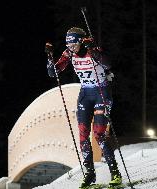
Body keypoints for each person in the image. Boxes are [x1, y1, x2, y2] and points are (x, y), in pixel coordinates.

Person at [45, 27, 122, 188]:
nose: (70, 47)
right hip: (85, 94)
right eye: (68, 45)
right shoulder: (69, 53)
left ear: (81, 41)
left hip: (101, 92)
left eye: (73, 44)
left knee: (99, 135)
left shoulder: (92, 49)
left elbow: (108, 64)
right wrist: (50, 59)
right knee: (83, 136)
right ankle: (89, 174)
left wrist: (93, 52)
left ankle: (115, 173)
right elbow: (54, 72)